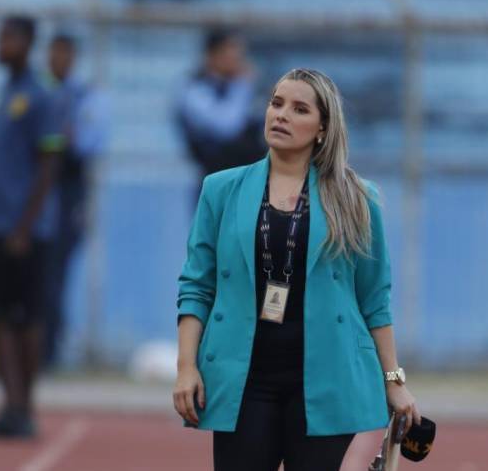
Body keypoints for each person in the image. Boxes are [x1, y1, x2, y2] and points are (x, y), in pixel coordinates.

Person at [173, 68, 420, 471]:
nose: (281, 115)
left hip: (326, 380)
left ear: (322, 128)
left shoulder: (358, 198)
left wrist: (395, 381)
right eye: (276, 103)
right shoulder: (219, 190)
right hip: (244, 379)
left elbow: (374, 298)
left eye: (299, 109)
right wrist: (186, 368)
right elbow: (197, 286)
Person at [0, 16, 64, 437]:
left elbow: (49, 164)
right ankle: (11, 406)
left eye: (7, 39)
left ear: (27, 43)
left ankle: (25, 406)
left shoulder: (41, 95)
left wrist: (24, 226)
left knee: (27, 317)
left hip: (26, 230)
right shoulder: (6, 93)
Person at [42, 33, 108, 367]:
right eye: (53, 52)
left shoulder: (85, 98)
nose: (57, 59)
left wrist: (69, 137)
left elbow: (91, 144)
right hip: (32, 199)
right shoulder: (37, 93)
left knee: (55, 278)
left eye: (64, 53)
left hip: (66, 198)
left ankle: (48, 353)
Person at [172, 29, 266, 207]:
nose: (238, 59)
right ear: (212, 55)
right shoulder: (193, 89)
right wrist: (242, 86)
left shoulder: (240, 87)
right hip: (215, 183)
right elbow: (227, 126)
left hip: (248, 181)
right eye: (231, 52)